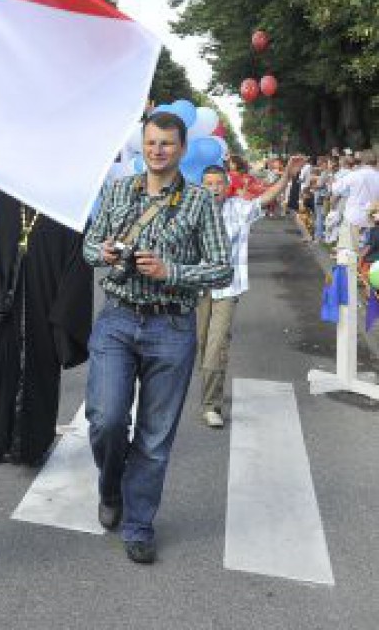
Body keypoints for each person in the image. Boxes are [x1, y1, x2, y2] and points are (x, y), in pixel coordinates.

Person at [83, 111, 232, 565]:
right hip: (118, 318)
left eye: (167, 143)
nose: (157, 150)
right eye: (151, 142)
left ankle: (139, 524)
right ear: (142, 145)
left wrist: (172, 271)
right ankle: (111, 486)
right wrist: (105, 252)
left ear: (182, 149)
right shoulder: (117, 191)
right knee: (106, 419)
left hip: (171, 325)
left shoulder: (200, 201)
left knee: (154, 437)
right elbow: (88, 246)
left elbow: (222, 268)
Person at [0, 187, 93, 467]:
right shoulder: (0, 199)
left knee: (40, 377)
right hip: (2, 305)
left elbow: (78, 264)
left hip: (46, 303)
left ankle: (34, 446)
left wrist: (63, 315)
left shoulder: (68, 206)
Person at [196, 156, 306, 427]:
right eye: (208, 184)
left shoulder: (238, 207)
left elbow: (265, 198)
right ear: (201, 187)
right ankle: (211, 381)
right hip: (197, 287)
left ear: (227, 186)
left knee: (216, 345)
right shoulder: (192, 209)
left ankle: (211, 405)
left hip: (227, 286)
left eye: (219, 183)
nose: (214, 188)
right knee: (202, 344)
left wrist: (286, 177)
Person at [331, 150, 379, 255]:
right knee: (365, 253)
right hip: (371, 218)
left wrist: (333, 180)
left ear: (362, 161)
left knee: (347, 252)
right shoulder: (377, 175)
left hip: (353, 217)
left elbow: (336, 189)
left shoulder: (355, 174)